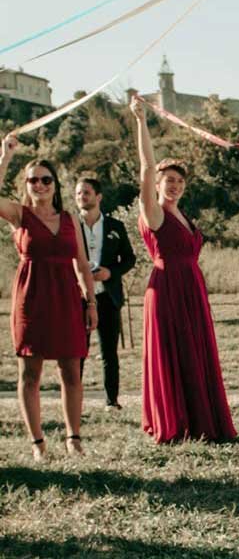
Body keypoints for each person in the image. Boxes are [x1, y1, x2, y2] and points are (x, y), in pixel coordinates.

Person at [131, 98, 236, 444]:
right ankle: (176, 420)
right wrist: (141, 121)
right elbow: (146, 167)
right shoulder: (154, 213)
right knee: (175, 351)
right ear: (158, 185)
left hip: (192, 288)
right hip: (168, 289)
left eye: (179, 181)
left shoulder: (182, 215)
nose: (174, 185)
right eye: (168, 180)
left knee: (195, 351)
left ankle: (202, 418)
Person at [0, 136, 97, 459]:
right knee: (30, 373)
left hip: (67, 298)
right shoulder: (19, 215)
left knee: (72, 371)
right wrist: (5, 156)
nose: (39, 184)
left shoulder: (70, 219)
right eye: (33, 180)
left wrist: (91, 301)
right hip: (32, 298)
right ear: (26, 185)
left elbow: (82, 264)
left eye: (46, 179)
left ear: (55, 184)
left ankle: (74, 438)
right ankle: (38, 443)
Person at [75, 173, 136, 410]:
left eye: (86, 192)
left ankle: (112, 401)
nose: (82, 197)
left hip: (108, 297)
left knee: (109, 352)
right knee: (78, 351)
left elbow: (129, 259)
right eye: (78, 193)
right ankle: (74, 400)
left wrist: (111, 272)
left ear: (98, 197)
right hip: (79, 298)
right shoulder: (70, 227)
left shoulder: (115, 227)